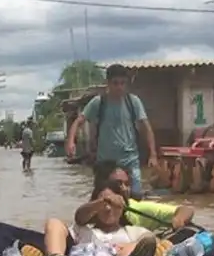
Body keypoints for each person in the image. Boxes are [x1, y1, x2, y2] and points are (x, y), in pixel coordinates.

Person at [65, 63, 158, 198]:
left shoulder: (133, 102)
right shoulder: (98, 102)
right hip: (106, 163)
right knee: (103, 199)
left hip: (130, 160)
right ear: (108, 83)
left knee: (136, 197)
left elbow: (146, 127)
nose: (119, 87)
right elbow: (79, 121)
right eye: (115, 83)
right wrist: (70, 141)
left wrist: (153, 154)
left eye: (122, 83)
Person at [41, 179, 158, 256]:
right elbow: (79, 216)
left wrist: (121, 248)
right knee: (54, 222)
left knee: (139, 244)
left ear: (123, 206)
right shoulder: (82, 229)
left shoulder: (133, 232)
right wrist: (102, 201)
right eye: (104, 205)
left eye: (113, 205)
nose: (107, 209)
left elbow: (152, 241)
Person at [93, 161, 195, 231]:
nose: (124, 189)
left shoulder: (136, 208)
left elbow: (185, 209)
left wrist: (178, 220)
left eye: (127, 184)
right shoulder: (89, 211)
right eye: (118, 184)